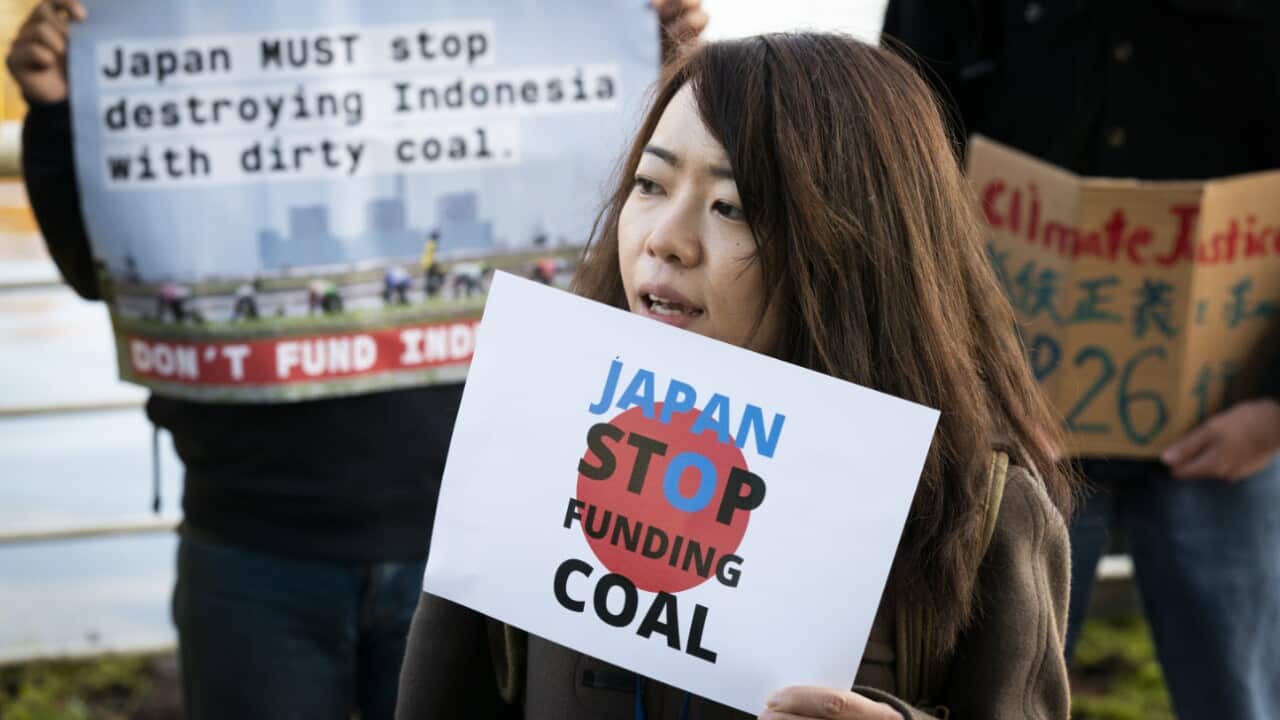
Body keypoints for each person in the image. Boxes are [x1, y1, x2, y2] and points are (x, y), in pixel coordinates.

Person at [6, 0, 706, 718]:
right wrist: (61, 112)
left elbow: (634, 253)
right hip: (250, 539)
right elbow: (105, 270)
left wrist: (655, 66)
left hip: (470, 536)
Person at [396, 33, 1076, 720]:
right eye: (649, 184)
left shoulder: (977, 506)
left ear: (855, 244)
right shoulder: (531, 436)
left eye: (733, 206)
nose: (665, 237)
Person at [881, 2, 1280, 718]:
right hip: (1007, 425)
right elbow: (896, 165)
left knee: (1239, 694)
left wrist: (1275, 410)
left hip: (1234, 421)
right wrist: (972, 388)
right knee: (996, 690)